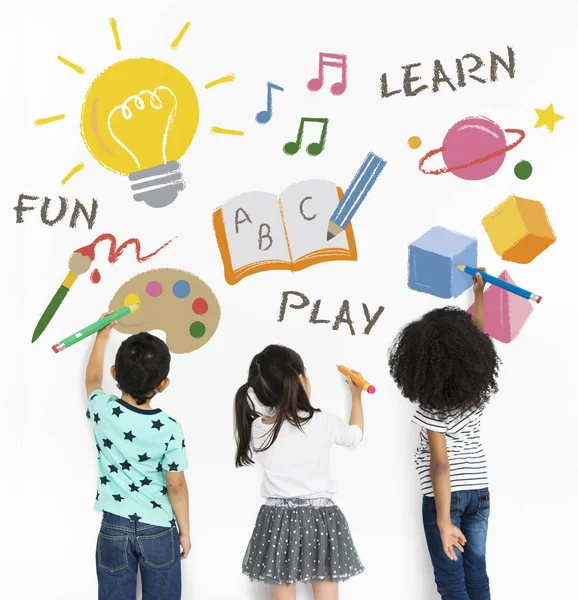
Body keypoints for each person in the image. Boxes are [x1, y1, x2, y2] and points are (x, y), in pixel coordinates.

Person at [388, 269, 500, 600]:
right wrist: (478, 297)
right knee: (476, 572)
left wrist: (442, 520)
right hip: (479, 491)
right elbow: (477, 336)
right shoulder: (476, 394)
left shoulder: (431, 411)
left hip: (446, 497)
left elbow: (440, 466)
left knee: (451, 581)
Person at [234, 345, 365, 600]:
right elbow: (355, 436)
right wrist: (356, 396)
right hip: (322, 519)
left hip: (277, 520)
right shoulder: (323, 422)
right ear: (300, 379)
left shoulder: (258, 429)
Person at [85, 319, 190, 600]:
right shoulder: (169, 427)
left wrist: (101, 338)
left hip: (113, 527)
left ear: (115, 372)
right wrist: (185, 532)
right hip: (158, 528)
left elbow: (93, 380)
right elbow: (176, 486)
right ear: (163, 384)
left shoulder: (102, 410)